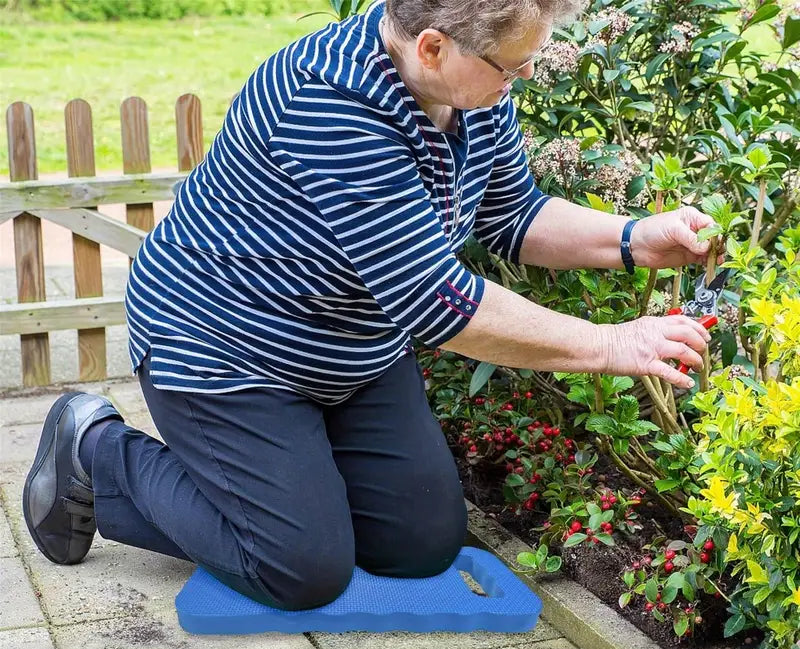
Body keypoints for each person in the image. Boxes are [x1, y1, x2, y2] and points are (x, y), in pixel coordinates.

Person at [23, 0, 714, 611]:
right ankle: (95, 450)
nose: (525, 76)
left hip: (350, 345)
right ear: (433, 47)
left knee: (418, 545)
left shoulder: (470, 89)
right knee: (298, 569)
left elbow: (513, 214)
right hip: (224, 345)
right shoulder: (324, 103)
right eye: (512, 66)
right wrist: (612, 344)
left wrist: (634, 238)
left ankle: (289, 481)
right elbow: (438, 303)